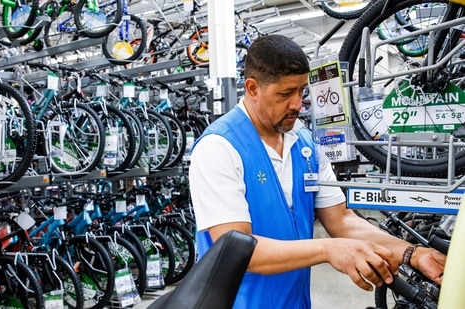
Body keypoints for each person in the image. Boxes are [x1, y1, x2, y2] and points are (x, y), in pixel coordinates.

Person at [188, 34, 446, 308]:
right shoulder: (219, 147)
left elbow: (341, 220)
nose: (297, 104)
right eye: (285, 93)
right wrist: (328, 248)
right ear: (252, 88)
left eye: (301, 91)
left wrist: (411, 254)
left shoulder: (305, 143)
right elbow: (241, 252)